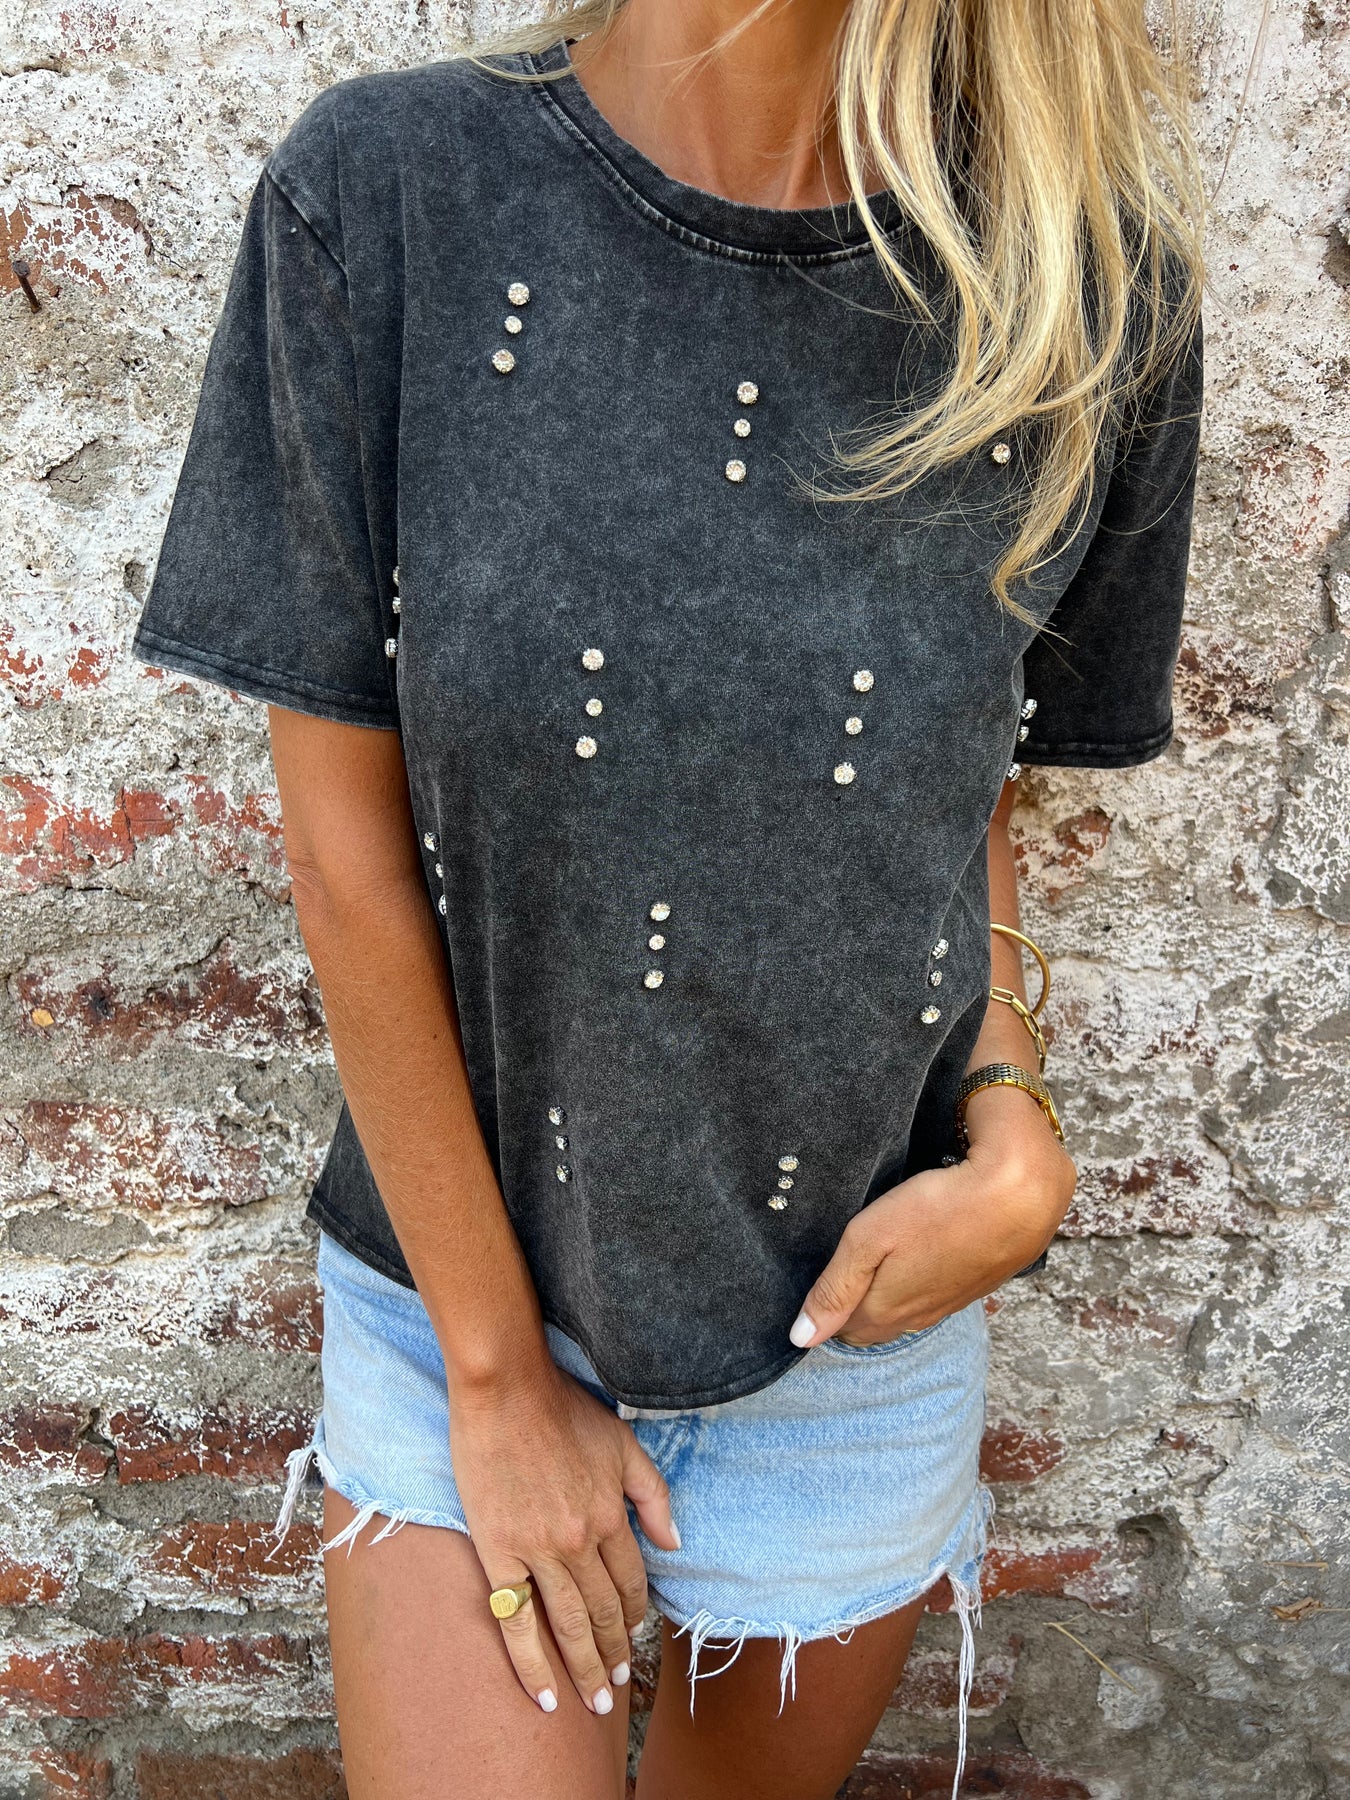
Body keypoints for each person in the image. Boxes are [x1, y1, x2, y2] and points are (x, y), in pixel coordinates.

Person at [130, 0, 1205, 1794]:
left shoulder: (1083, 291)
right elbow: (341, 852)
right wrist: (495, 1377)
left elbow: (958, 782)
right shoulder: (386, 192)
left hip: (851, 1330)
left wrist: (1014, 1120)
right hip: (455, 1301)